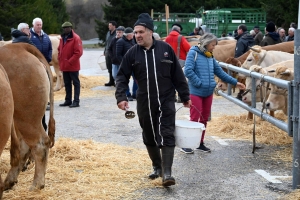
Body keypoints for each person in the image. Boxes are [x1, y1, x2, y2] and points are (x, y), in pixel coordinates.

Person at [115, 13, 191, 187]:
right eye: (135, 32)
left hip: (166, 99)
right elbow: (121, 76)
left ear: (150, 32)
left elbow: (178, 75)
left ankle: (167, 173)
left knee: (166, 133)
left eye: (141, 32)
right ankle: (157, 166)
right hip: (145, 100)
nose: (137, 36)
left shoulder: (165, 49)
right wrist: (121, 96)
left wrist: (185, 96)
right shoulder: (132, 53)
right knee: (149, 134)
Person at [184, 33, 245, 153]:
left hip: (208, 93)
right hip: (196, 91)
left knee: (204, 118)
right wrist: (199, 83)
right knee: (194, 118)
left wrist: (235, 82)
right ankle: (188, 144)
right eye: (213, 45)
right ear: (206, 44)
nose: (214, 47)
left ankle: (200, 143)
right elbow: (188, 70)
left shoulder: (210, 56)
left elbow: (220, 72)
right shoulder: (193, 53)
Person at [58, 22, 83, 108]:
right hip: (65, 66)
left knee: (76, 83)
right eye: (64, 28)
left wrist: (70, 61)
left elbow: (78, 52)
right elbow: (59, 49)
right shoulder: (62, 38)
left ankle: (76, 101)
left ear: (71, 28)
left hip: (73, 66)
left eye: (67, 28)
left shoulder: (76, 38)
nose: (65, 29)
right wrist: (60, 58)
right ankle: (68, 100)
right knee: (67, 83)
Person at [116, 27, 138, 101]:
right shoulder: (120, 41)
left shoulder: (133, 40)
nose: (134, 35)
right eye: (133, 34)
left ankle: (135, 93)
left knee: (136, 79)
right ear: (128, 35)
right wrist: (124, 63)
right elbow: (118, 54)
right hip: (126, 64)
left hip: (134, 64)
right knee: (125, 80)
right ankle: (128, 94)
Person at [104, 21, 117, 86]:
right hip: (108, 52)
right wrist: (105, 51)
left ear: (114, 26)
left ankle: (116, 81)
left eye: (110, 25)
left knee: (115, 67)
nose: (109, 27)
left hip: (114, 53)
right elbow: (106, 43)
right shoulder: (108, 33)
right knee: (109, 66)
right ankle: (111, 81)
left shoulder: (117, 34)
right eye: (109, 25)